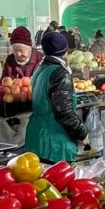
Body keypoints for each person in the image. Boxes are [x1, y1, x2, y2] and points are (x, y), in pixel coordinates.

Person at [24, 30, 87, 163]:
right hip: (55, 143)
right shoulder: (60, 73)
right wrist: (82, 133)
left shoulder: (40, 69)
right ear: (65, 51)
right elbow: (64, 112)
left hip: (36, 138)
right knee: (57, 183)